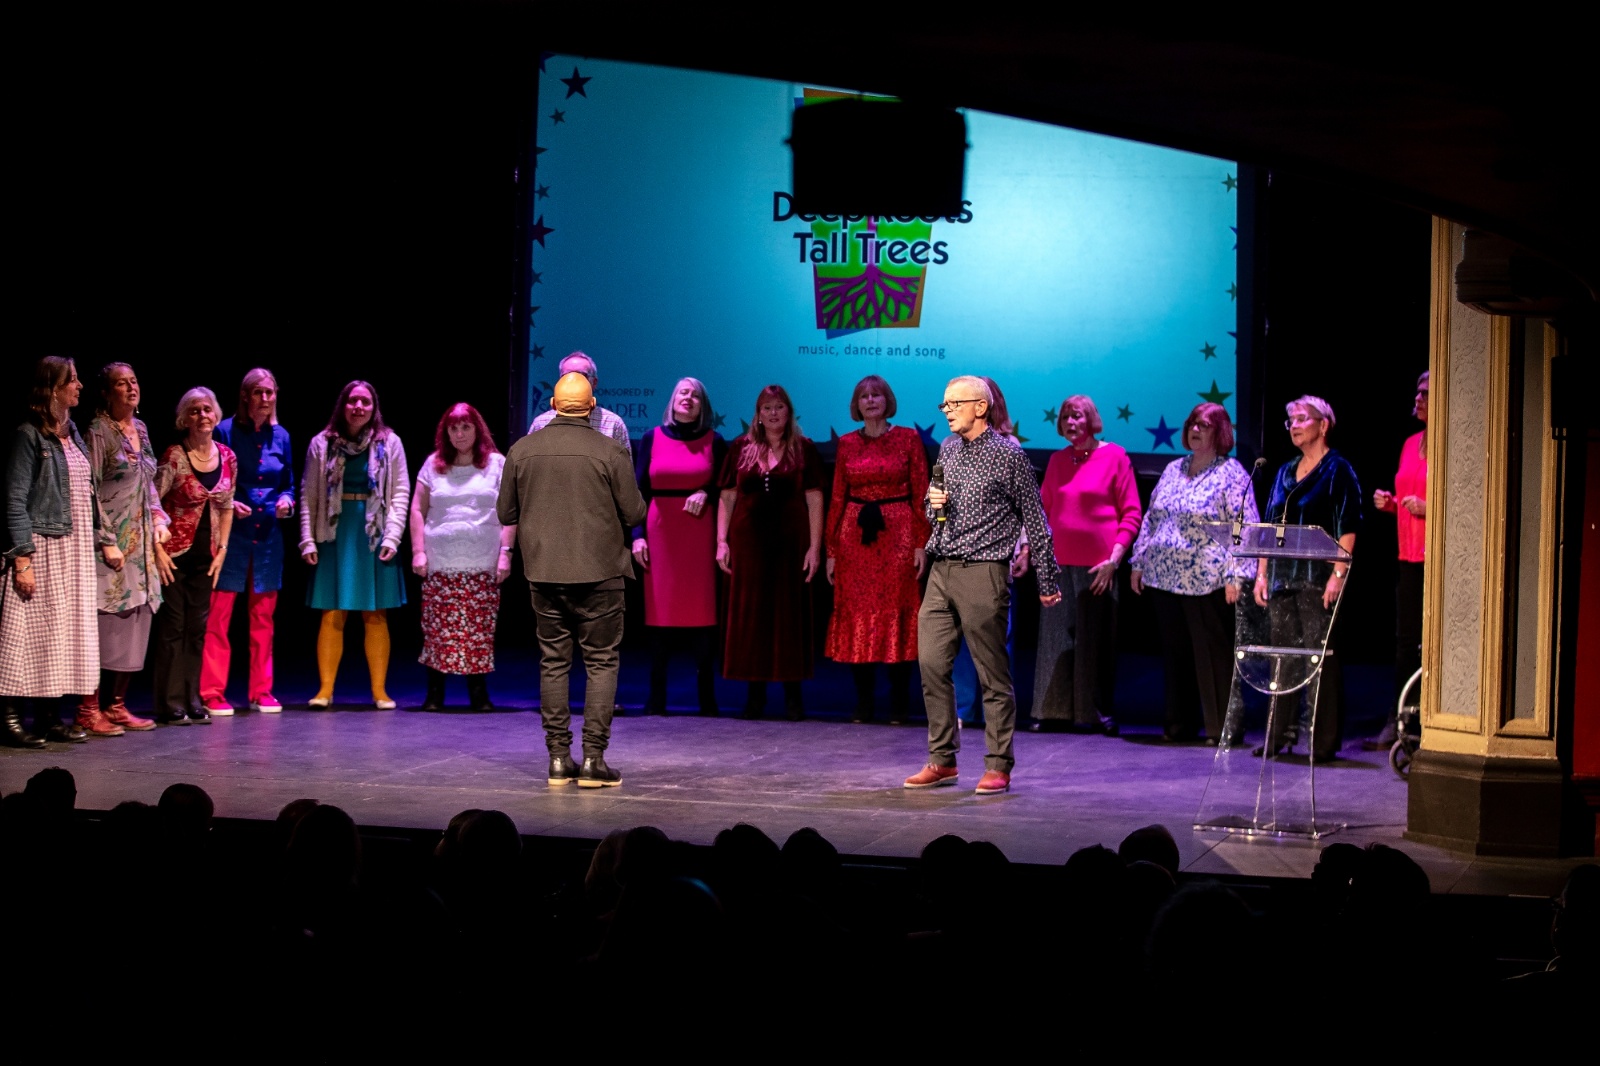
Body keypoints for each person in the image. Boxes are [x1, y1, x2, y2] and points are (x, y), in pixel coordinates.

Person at [905, 375, 1061, 795]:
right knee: (931, 664)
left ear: (980, 407)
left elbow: (1035, 519)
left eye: (954, 404)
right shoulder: (948, 448)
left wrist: (1047, 578)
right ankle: (942, 759)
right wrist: (932, 503)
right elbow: (933, 507)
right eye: (944, 405)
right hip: (941, 570)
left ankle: (998, 764)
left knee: (992, 674)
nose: (947, 411)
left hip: (984, 571)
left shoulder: (1009, 455)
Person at [498, 372, 646, 787]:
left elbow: (505, 513)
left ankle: (559, 760)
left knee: (554, 662)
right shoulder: (610, 450)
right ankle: (594, 760)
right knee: (601, 662)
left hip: (545, 574)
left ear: (552, 406)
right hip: (601, 573)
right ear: (592, 406)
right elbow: (635, 512)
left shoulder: (522, 450)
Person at [2, 357, 121, 747]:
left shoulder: (73, 436)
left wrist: (106, 538)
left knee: (61, 635)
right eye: (72, 380)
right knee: (25, 635)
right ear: (52, 389)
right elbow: (15, 500)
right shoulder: (29, 436)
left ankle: (50, 717)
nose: (79, 386)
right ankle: (9, 717)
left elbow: (89, 495)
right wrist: (23, 558)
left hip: (74, 548)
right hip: (43, 546)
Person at [1128, 402, 1257, 743]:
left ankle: (1223, 729)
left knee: (1213, 658)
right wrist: (1139, 561)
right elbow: (1152, 518)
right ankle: (1178, 725)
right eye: (1191, 424)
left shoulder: (1231, 473)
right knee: (1176, 656)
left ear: (1220, 432)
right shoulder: (1174, 468)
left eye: (1203, 425)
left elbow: (1244, 527)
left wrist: (1236, 574)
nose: (1195, 430)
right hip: (1164, 576)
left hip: (1208, 579)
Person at [1254, 395, 1361, 762]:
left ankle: (1322, 741)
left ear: (1323, 424)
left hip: (1319, 580)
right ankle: (1278, 735)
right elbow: (1270, 526)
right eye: (1291, 420)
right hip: (1283, 578)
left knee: (1319, 659)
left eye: (1302, 418)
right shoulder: (1285, 471)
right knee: (1282, 658)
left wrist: (1338, 574)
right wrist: (1262, 573)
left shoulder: (1338, 470)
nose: (1294, 426)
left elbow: (1348, 526)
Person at [1027, 394, 1141, 735]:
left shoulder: (1115, 456)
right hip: (1058, 564)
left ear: (1091, 419)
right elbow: (1043, 511)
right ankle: (1051, 711)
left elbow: (1131, 514)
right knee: (1054, 642)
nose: (1070, 422)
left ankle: (1095, 713)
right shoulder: (1058, 460)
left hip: (1098, 568)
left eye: (1077, 416)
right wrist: (1031, 551)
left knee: (1094, 644)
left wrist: (1114, 560)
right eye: (1065, 417)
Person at [824, 374, 929, 724]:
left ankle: (899, 701)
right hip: (854, 541)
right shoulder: (847, 443)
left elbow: (922, 493)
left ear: (888, 401)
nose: (870, 400)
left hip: (898, 538)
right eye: (864, 396)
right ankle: (864, 701)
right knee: (857, 616)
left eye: (876, 395)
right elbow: (837, 497)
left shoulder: (908, 439)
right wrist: (831, 550)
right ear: (856, 404)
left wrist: (921, 542)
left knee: (898, 614)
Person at [716, 384, 824, 721]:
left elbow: (814, 498)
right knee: (753, 619)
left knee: (788, 618)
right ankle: (755, 696)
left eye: (779, 407)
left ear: (789, 412)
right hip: (748, 545)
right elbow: (728, 496)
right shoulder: (741, 447)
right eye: (767, 408)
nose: (773, 413)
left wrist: (814, 548)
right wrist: (721, 541)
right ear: (758, 414)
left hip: (791, 545)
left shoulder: (804, 448)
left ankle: (793, 698)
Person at [300, 380, 410, 710]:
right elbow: (308, 494)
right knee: (333, 612)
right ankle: (325, 690)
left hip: (375, 534)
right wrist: (307, 538)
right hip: (335, 532)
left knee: (375, 614)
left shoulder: (389, 442)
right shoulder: (322, 443)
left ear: (374, 408)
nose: (358, 407)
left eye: (365, 402)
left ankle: (379, 691)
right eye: (352, 401)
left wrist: (393, 536)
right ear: (343, 405)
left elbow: (400, 492)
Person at [630, 377, 726, 717]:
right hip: (660, 534)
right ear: (672, 400)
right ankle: (657, 698)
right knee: (660, 614)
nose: (689, 398)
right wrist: (637, 535)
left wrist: (706, 492)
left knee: (703, 615)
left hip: (699, 536)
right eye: (683, 392)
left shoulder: (715, 441)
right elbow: (637, 491)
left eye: (696, 395)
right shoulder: (651, 438)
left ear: (703, 405)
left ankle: (707, 699)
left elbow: (725, 488)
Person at [82, 362, 168, 736]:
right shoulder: (98, 431)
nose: (131, 387)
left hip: (140, 542)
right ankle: (88, 708)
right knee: (103, 622)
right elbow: (89, 489)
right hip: (110, 541)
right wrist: (106, 541)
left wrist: (159, 518)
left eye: (134, 381)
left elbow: (148, 483)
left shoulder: (142, 429)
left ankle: (116, 706)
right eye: (121, 383)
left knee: (136, 620)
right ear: (106, 393)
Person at [409, 402, 512, 711]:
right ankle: (434, 694)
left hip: (482, 561)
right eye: (453, 428)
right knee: (438, 629)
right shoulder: (433, 464)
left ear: (477, 429)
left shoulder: (497, 464)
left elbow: (511, 512)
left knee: (478, 631)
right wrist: (418, 551)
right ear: (446, 433)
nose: (460, 433)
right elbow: (417, 509)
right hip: (440, 562)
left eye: (466, 427)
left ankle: (478, 694)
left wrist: (506, 554)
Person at [204, 367, 295, 715]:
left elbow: (288, 483)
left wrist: (286, 500)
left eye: (270, 392)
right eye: (259, 392)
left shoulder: (281, 436)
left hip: (268, 536)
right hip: (232, 535)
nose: (265, 398)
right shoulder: (225, 431)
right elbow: (215, 478)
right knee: (219, 617)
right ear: (245, 396)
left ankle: (261, 691)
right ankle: (212, 692)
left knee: (263, 618)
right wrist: (229, 502)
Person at [152, 387, 237, 725]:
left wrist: (223, 551)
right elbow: (152, 503)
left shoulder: (227, 457)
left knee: (197, 628)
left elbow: (227, 506)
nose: (202, 415)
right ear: (184, 419)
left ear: (216, 415)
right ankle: (169, 702)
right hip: (173, 555)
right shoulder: (174, 456)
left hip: (207, 555)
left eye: (207, 409)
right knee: (173, 627)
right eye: (195, 410)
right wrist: (157, 550)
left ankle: (192, 697)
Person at [952, 376, 1024, 728]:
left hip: (997, 555)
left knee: (996, 635)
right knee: (962, 632)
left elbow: (1023, 503)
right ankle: (964, 708)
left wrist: (1023, 548)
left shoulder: (1010, 446)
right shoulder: (952, 445)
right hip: (960, 553)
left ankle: (997, 710)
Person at [1364, 371, 1428, 749]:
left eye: (1426, 393)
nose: (1418, 398)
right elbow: (1409, 498)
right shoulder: (1410, 443)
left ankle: (1429, 720)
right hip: (1408, 556)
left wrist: (1429, 508)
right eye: (1417, 392)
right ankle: (1401, 718)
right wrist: (1391, 505)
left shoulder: (1454, 443)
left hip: (1438, 561)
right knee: (1406, 643)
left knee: (1431, 644)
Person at [527, 351, 632, 458]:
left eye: (582, 375)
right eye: (567, 376)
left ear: (594, 382)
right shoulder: (541, 423)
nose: (574, 381)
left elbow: (624, 467)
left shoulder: (613, 424)